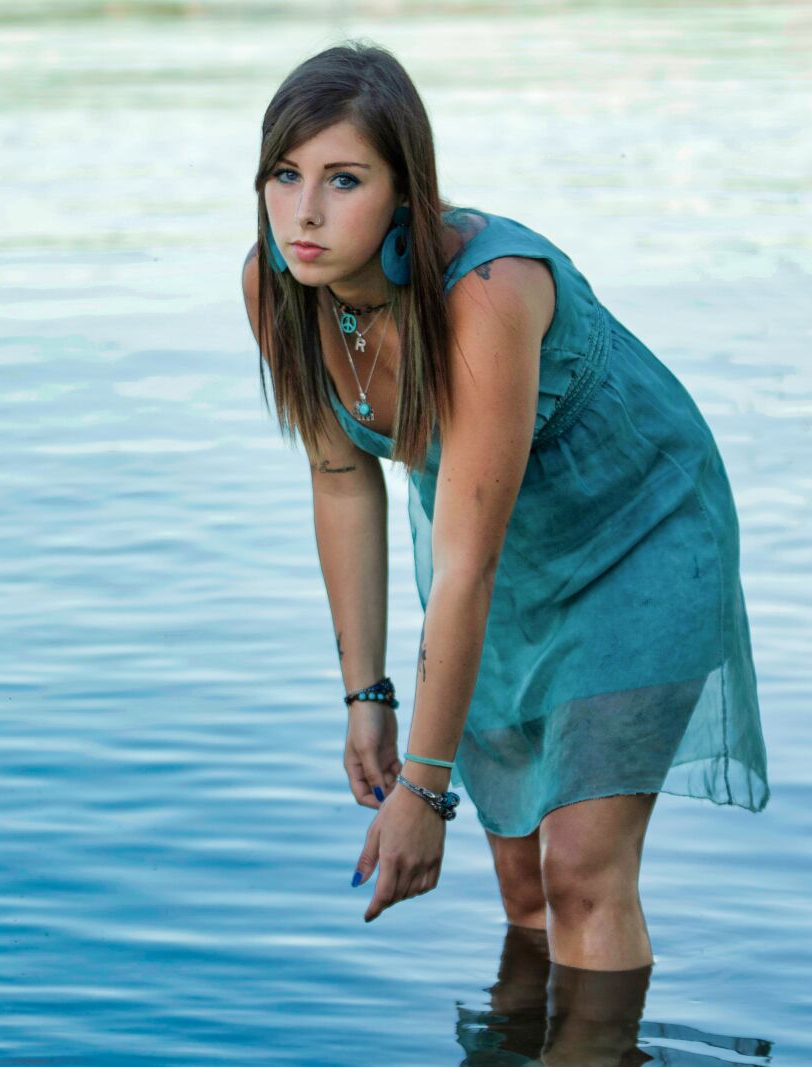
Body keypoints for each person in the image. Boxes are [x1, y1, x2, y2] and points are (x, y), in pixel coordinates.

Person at [240, 41, 769, 970]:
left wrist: (424, 787)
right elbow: (340, 479)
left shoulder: (489, 290)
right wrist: (367, 698)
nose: (306, 211)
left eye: (344, 179)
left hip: (634, 538)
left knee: (581, 874)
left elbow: (464, 568)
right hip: (489, 556)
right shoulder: (278, 286)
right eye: (285, 174)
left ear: (408, 192)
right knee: (523, 883)